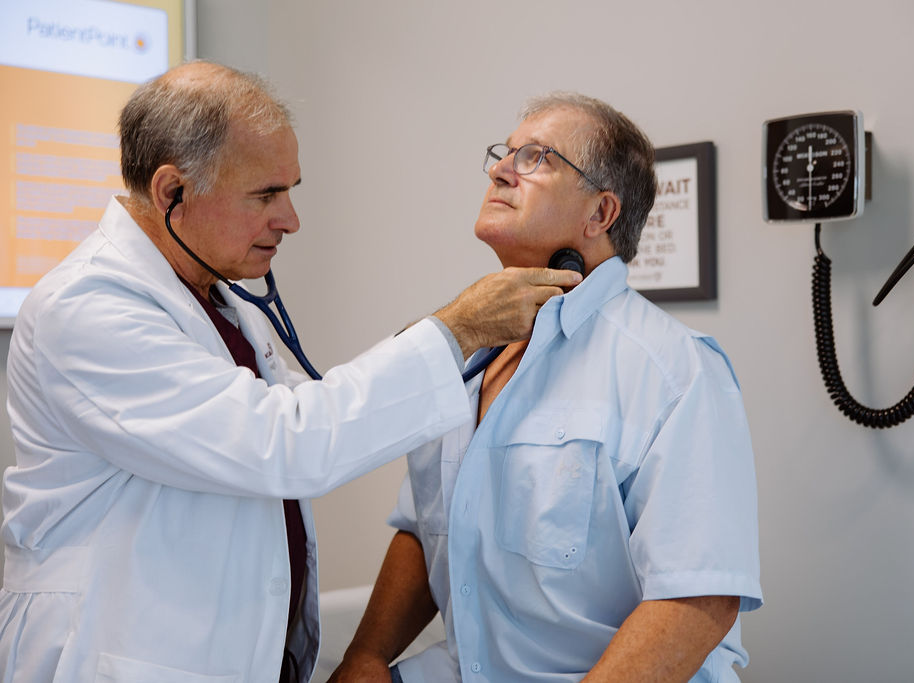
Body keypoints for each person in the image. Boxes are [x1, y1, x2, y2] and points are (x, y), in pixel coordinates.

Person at [0, 62, 581, 683]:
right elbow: (288, 442)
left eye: (290, 190)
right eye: (266, 194)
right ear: (173, 193)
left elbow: (325, 412)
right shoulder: (87, 308)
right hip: (123, 655)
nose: (290, 219)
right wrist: (455, 329)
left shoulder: (218, 300)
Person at [332, 93, 762, 683]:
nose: (499, 169)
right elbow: (424, 525)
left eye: (536, 158)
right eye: (504, 153)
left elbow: (698, 600)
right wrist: (367, 656)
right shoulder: (464, 356)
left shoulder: (672, 370)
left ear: (600, 213)